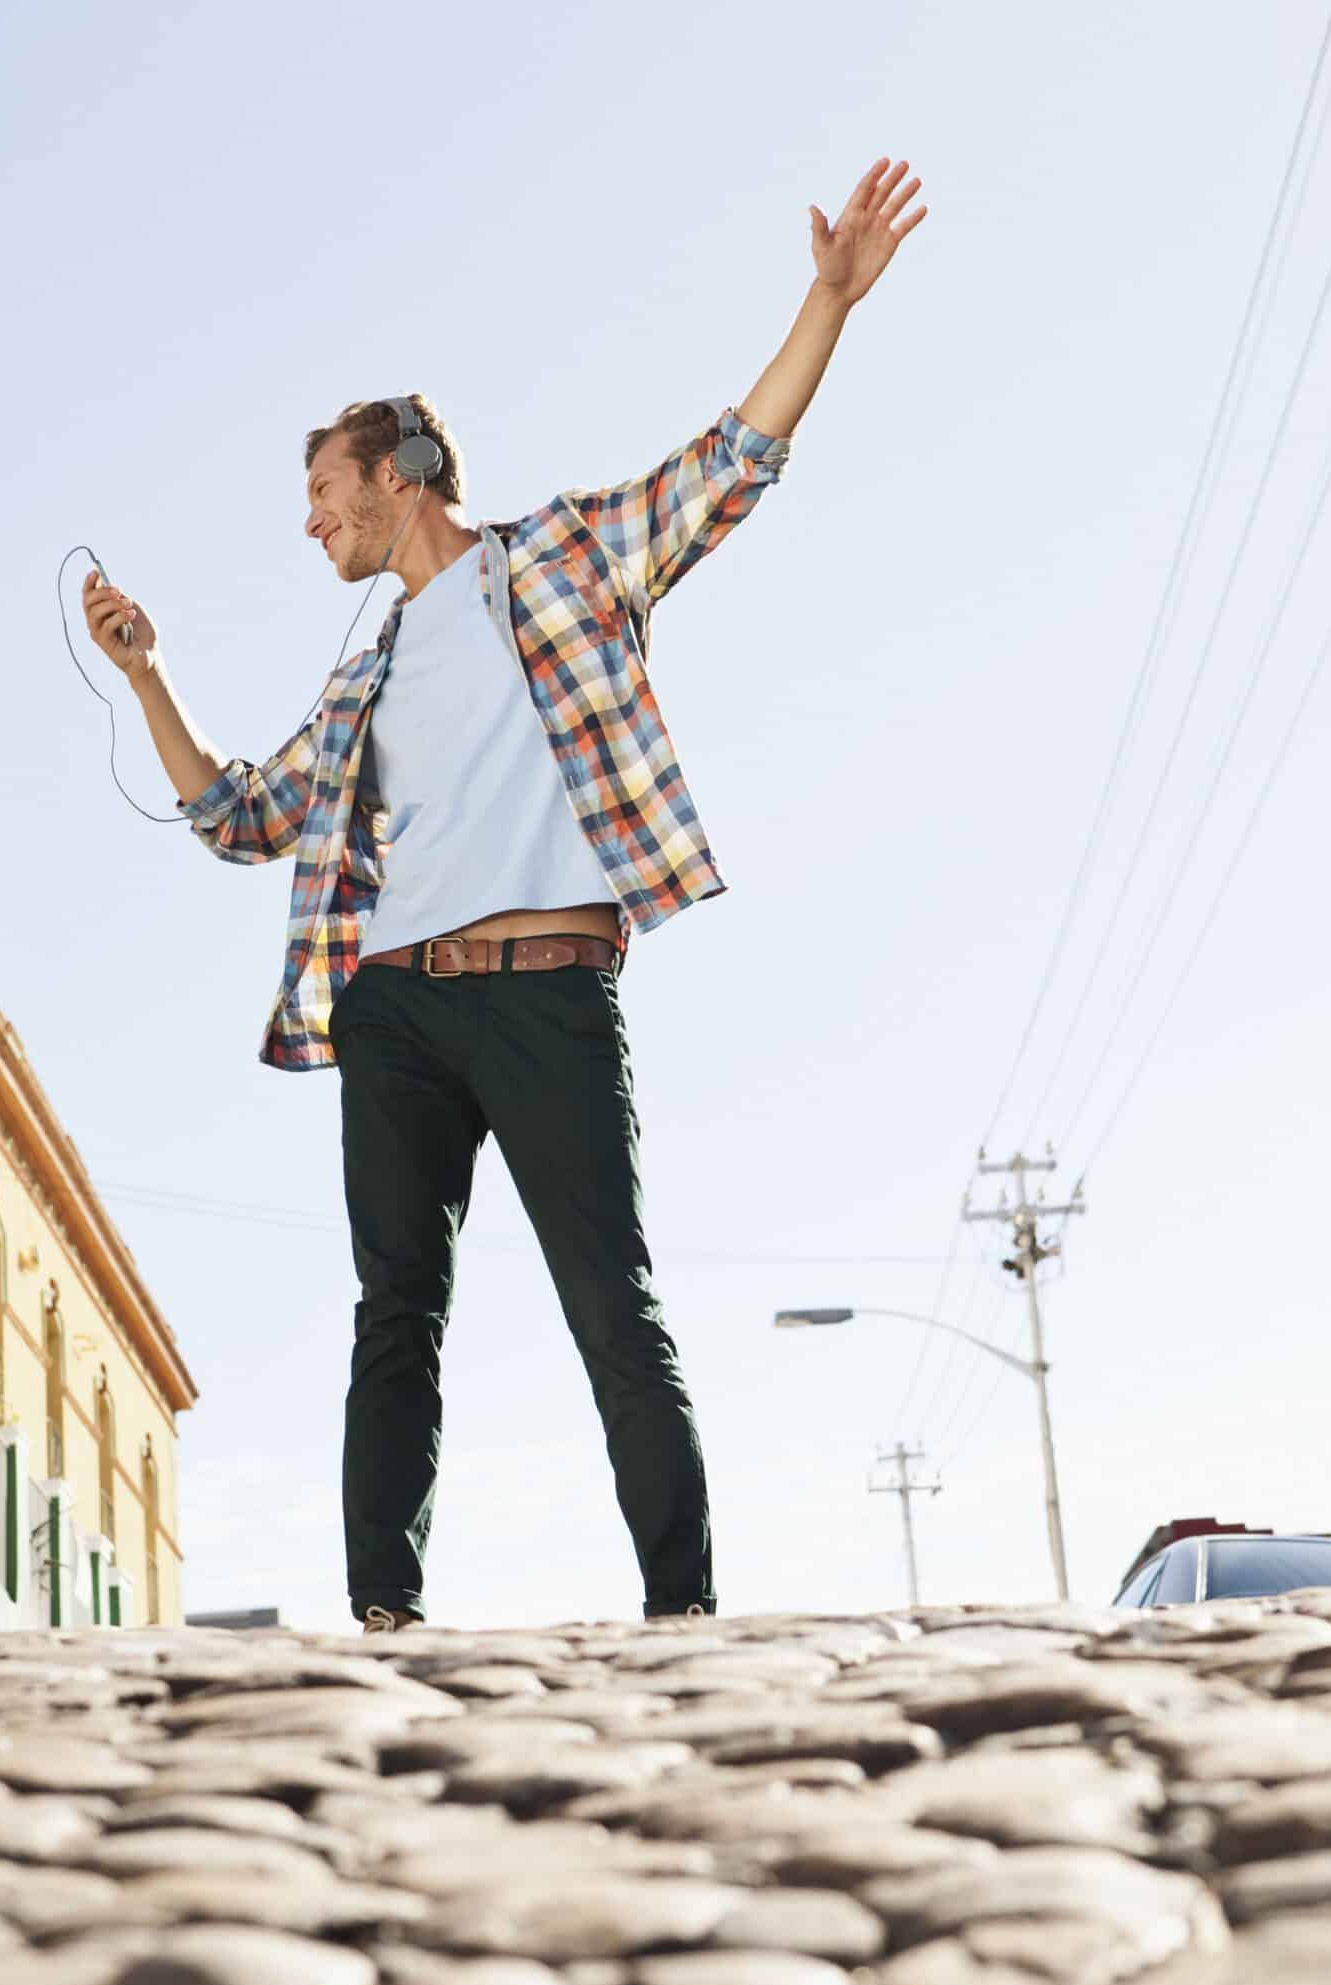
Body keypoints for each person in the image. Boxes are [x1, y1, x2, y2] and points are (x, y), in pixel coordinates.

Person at [83, 160, 927, 1633]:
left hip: (547, 986)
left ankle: (682, 1615)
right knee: (394, 1314)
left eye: (325, 496)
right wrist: (147, 674)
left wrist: (828, 303)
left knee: (614, 1305)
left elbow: (729, 464)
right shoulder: (364, 673)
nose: (312, 528)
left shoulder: (567, 564)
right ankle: (384, 1615)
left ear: (399, 474)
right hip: (395, 1008)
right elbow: (241, 816)